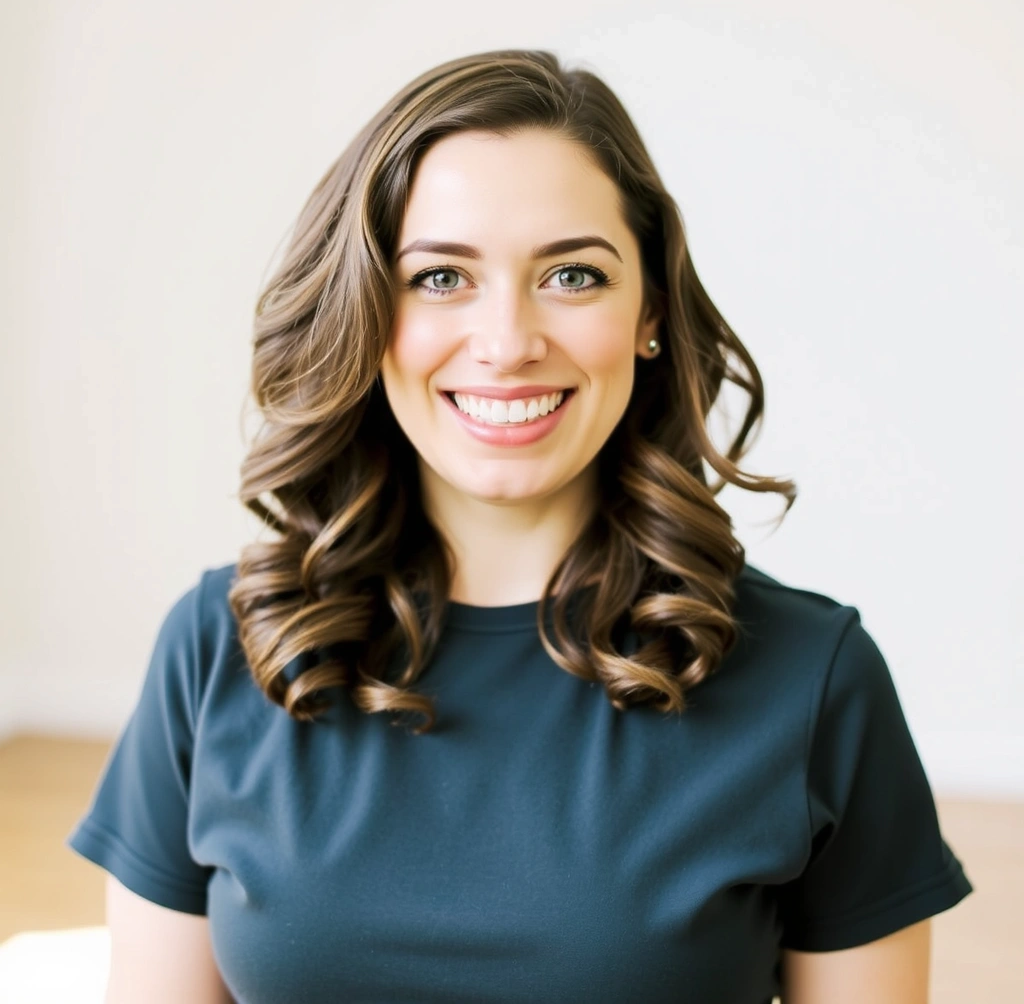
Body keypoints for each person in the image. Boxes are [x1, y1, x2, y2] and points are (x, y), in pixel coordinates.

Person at [68, 49, 971, 1004]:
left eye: (573, 276)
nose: (506, 343)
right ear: (367, 313)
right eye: (440, 279)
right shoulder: (219, 648)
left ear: (650, 313)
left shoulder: (811, 676)